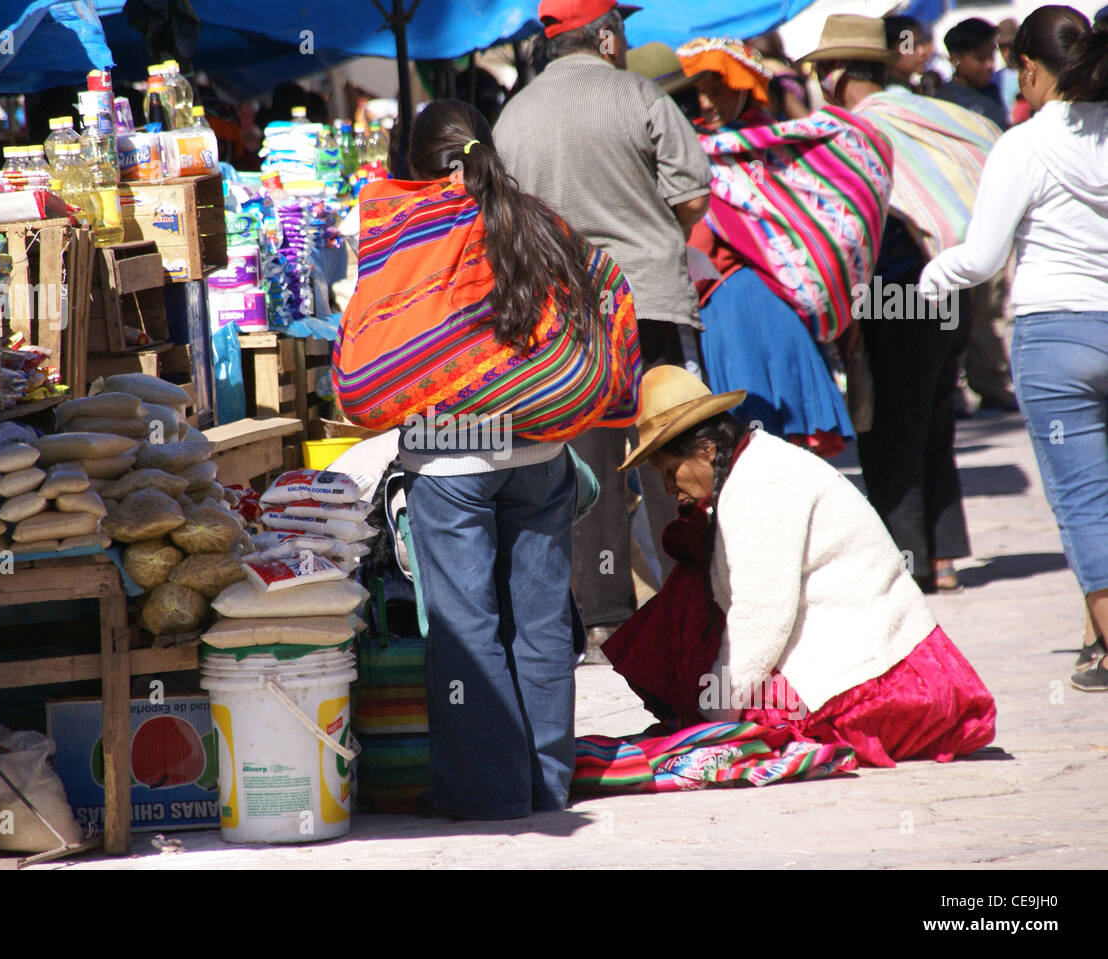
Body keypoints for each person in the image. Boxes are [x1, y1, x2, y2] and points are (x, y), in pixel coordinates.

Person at [333, 99, 641, 817]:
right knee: (539, 621)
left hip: (451, 462)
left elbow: (369, 351)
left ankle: (485, 790)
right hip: (541, 452)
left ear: (411, 167)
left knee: (467, 628)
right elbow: (606, 287)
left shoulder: (403, 229)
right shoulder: (536, 219)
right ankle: (544, 781)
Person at [602, 367, 997, 767]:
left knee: (762, 726)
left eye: (672, 472)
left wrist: (715, 719)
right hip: (881, 653)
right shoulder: (750, 466)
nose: (671, 488)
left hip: (885, 677)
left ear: (706, 450)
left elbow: (761, 616)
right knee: (685, 595)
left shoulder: (760, 485)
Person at [493, 0, 711, 653]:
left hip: (565, 316)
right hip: (646, 301)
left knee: (589, 464)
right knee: (671, 453)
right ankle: (693, 597)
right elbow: (692, 196)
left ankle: (603, 616)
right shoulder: (639, 95)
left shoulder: (513, 117)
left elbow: (502, 221)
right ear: (609, 34)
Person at [920, 7, 1108, 692]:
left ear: (1027, 68)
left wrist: (928, 278)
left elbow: (981, 257)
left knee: (1087, 502)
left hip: (1056, 340)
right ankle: (1096, 644)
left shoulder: (1023, 145)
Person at [802, 14, 996, 594]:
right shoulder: (932, 113)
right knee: (935, 420)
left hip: (894, 296)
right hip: (953, 289)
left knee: (890, 428)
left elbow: (854, 232)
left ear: (835, 76)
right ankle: (943, 557)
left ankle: (908, 562)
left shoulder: (854, 131)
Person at [633, 37, 865, 457]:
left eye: (717, 88)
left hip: (740, 311)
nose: (706, 103)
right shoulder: (687, 150)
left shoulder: (767, 147)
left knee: (753, 455)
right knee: (760, 455)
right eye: (696, 93)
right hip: (734, 311)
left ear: (745, 86)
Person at [938, 17, 1009, 130]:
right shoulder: (945, 101)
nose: (989, 65)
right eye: (981, 59)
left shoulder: (992, 90)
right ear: (955, 60)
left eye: (991, 55)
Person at [883, 15, 934, 92]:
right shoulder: (892, 93)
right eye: (908, 47)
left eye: (920, 43)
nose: (922, 52)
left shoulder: (913, 89)